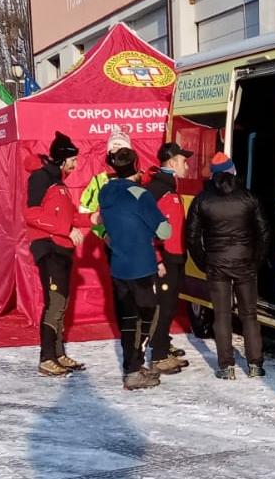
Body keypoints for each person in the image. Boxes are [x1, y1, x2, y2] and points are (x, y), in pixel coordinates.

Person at [186, 152, 270, 380]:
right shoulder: (249, 197)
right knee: (249, 315)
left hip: (216, 263)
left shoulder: (202, 199)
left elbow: (191, 236)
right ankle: (255, 364)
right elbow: (263, 233)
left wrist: (203, 261)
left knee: (221, 315)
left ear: (213, 176)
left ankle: (226, 366)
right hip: (245, 262)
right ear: (233, 171)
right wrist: (256, 260)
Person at [99, 148, 175, 390]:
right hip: (141, 266)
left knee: (127, 320)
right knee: (146, 317)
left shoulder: (106, 191)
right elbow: (164, 231)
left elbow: (106, 223)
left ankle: (131, 367)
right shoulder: (141, 195)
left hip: (118, 266)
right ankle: (134, 368)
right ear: (136, 166)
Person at [24, 131, 96, 377]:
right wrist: (67, 229)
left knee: (62, 304)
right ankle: (46, 358)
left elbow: (70, 216)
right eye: (73, 160)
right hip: (49, 248)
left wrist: (91, 219)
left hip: (62, 248)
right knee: (54, 303)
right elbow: (31, 215)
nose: (76, 165)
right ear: (63, 159)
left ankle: (58, 353)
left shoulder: (60, 183)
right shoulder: (40, 179)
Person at [144, 142, 194, 368]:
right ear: (172, 162)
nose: (187, 165)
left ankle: (162, 345)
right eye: (184, 161)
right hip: (165, 259)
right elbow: (144, 226)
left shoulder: (169, 187)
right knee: (164, 307)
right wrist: (157, 258)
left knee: (170, 305)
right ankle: (158, 356)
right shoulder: (157, 189)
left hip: (175, 256)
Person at [79, 126, 132, 240]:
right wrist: (104, 234)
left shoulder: (140, 177)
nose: (117, 158)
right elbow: (85, 210)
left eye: (122, 153)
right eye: (113, 153)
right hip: (113, 238)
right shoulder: (99, 180)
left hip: (137, 239)